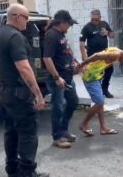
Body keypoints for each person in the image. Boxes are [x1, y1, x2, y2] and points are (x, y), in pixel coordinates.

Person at [0, 4, 48, 177]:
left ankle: (12, 169)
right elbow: (24, 68)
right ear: (16, 16)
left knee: (11, 131)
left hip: (4, 92)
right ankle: (27, 172)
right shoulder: (15, 37)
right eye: (26, 18)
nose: (28, 22)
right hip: (18, 94)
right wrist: (38, 94)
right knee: (27, 133)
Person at [77, 47, 123, 136]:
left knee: (100, 103)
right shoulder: (116, 54)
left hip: (96, 76)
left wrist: (100, 72)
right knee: (99, 102)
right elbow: (97, 55)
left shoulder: (117, 53)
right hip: (90, 76)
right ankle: (84, 124)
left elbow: (104, 62)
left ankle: (103, 128)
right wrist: (82, 64)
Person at [43, 10, 80, 149]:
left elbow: (67, 52)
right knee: (58, 107)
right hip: (58, 79)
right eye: (69, 24)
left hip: (68, 77)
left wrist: (75, 63)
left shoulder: (62, 34)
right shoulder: (51, 35)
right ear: (62, 22)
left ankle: (63, 130)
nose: (69, 27)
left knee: (73, 102)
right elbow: (47, 58)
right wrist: (57, 77)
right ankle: (57, 137)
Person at [79, 9, 115, 98]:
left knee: (109, 71)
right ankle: (98, 92)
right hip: (93, 56)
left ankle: (105, 89)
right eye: (92, 19)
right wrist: (85, 58)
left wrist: (107, 33)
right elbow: (81, 43)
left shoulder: (104, 24)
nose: (94, 21)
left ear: (100, 18)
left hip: (105, 54)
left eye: (96, 19)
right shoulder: (87, 27)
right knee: (96, 74)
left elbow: (112, 35)